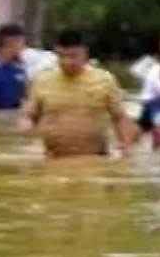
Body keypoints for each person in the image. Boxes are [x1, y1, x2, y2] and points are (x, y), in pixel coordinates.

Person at [20, 29, 135, 159]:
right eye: (62, 56)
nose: (67, 62)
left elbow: (120, 117)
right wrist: (26, 123)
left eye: (73, 56)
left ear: (85, 54)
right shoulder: (43, 81)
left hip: (94, 158)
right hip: (54, 158)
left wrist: (126, 146)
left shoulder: (105, 80)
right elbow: (29, 114)